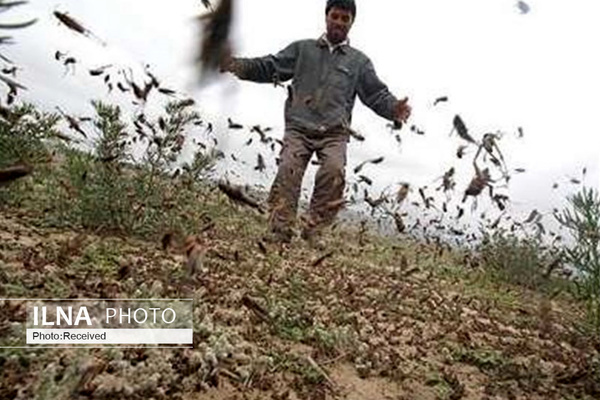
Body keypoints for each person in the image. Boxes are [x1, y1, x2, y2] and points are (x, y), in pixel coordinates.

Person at [221, 0, 411, 245]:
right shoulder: (302, 50)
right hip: (299, 127)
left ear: (352, 23)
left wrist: (394, 109)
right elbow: (270, 66)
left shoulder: (359, 62)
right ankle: (280, 230)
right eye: (336, 16)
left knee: (333, 172)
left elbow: (376, 94)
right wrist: (237, 65)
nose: (339, 22)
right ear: (326, 17)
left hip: (335, 133)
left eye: (345, 19)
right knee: (288, 168)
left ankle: (314, 231)